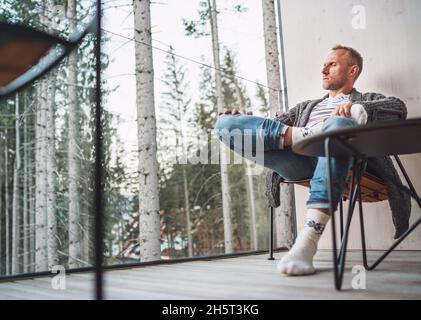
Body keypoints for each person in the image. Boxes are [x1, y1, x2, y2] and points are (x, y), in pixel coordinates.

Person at [214, 45, 410, 276]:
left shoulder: (367, 99)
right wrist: (245, 121)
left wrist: (358, 109)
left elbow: (399, 108)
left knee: (339, 125)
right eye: (324, 65)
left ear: (352, 70)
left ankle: (307, 240)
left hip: (345, 159)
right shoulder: (305, 108)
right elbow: (272, 127)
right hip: (299, 159)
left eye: (332, 64)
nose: (324, 70)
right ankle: (312, 133)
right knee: (226, 124)